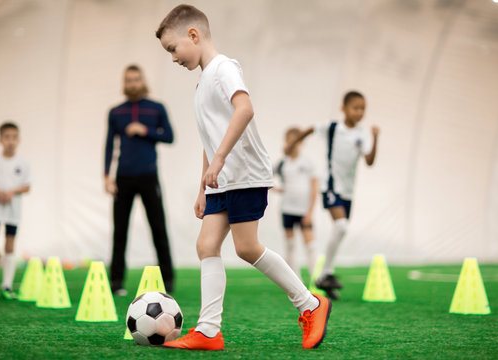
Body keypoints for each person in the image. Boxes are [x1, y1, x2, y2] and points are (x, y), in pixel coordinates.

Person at [155, 4, 331, 351]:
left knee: (247, 248)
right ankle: (208, 331)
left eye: (173, 49)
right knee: (206, 245)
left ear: (194, 35)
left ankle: (310, 304)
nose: (173, 58)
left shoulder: (223, 68)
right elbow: (211, 137)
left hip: (245, 174)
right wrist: (203, 186)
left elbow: (245, 108)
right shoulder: (202, 82)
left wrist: (219, 160)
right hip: (222, 179)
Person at [286, 91, 379, 299]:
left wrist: (375, 137)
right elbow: (310, 129)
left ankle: (325, 277)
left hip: (347, 191)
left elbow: (370, 161)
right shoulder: (333, 127)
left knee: (341, 229)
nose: (359, 112)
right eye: (355, 107)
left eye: (363, 108)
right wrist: (293, 143)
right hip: (330, 186)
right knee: (341, 225)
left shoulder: (362, 134)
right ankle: (325, 273)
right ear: (343, 109)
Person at [104, 64, 175, 295]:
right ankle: (116, 282)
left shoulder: (156, 108)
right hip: (123, 177)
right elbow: (108, 145)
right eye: (128, 80)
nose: (133, 84)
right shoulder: (116, 112)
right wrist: (107, 175)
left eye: (136, 79)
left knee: (158, 228)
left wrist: (146, 131)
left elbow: (170, 136)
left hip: (148, 176)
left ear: (142, 81)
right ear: (124, 84)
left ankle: (168, 280)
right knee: (120, 231)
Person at [0, 122, 31, 300]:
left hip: (13, 209)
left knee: (9, 244)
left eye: (14, 137)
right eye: (7, 137)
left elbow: (27, 187)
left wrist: (12, 192)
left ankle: (7, 285)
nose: (11, 141)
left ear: (18, 139)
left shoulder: (23, 163)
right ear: (0, 139)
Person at [274, 127, 318, 278]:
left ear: (301, 142)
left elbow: (314, 188)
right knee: (290, 245)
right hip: (287, 208)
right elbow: (265, 176)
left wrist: (310, 212)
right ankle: (295, 280)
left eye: (297, 141)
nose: (293, 144)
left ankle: (316, 279)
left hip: (304, 209)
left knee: (310, 245)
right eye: (290, 141)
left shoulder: (308, 162)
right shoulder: (282, 163)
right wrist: (277, 189)